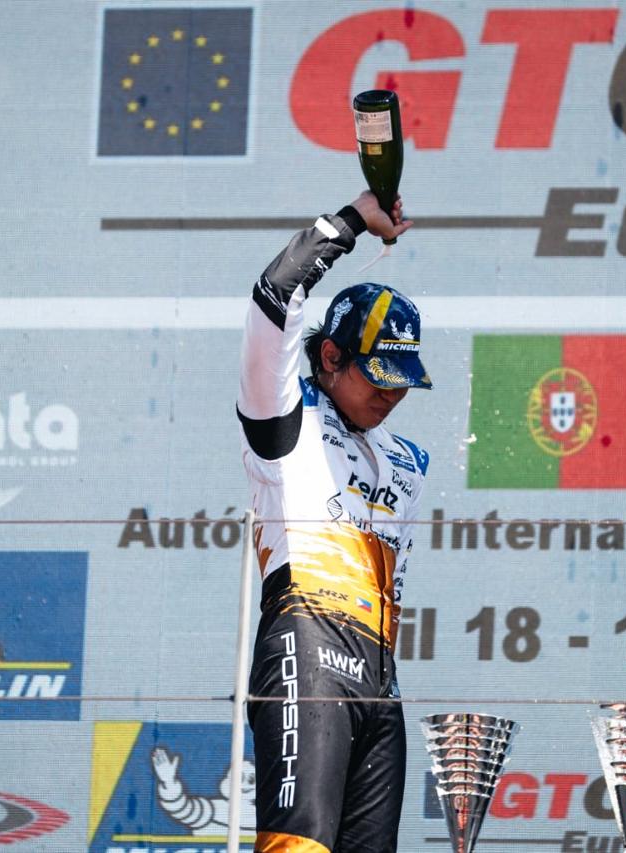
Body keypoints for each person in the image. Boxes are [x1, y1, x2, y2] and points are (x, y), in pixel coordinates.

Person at [237, 190, 429, 852]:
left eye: (403, 379)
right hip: (306, 645)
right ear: (330, 358)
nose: (390, 393)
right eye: (377, 373)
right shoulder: (284, 422)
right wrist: (350, 222)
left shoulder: (404, 457)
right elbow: (272, 297)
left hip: (382, 677)